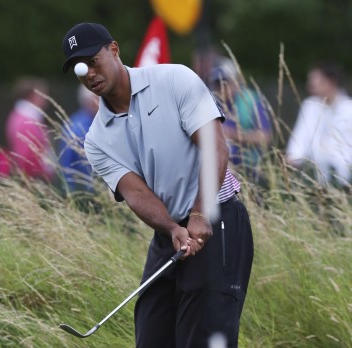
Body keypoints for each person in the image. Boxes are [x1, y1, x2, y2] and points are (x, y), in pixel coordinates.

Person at [61, 23, 254, 347]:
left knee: (204, 338)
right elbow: (135, 192)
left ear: (114, 49)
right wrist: (170, 227)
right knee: (152, 332)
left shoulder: (173, 79)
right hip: (171, 233)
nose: (89, 73)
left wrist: (199, 214)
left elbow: (215, 147)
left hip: (217, 217)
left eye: (94, 61)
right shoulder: (96, 139)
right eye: (81, 69)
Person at [286, 61, 352, 187]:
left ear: (331, 81)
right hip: (314, 177)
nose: (311, 84)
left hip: (345, 178)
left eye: (316, 79)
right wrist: (293, 157)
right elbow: (300, 135)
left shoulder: (349, 108)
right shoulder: (310, 106)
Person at [209, 58, 273, 183]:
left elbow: (265, 137)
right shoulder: (211, 104)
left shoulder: (250, 101)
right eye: (218, 84)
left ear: (234, 82)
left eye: (225, 82)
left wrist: (232, 135)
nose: (221, 88)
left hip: (249, 168)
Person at [5, 76, 55, 182]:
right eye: (42, 95)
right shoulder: (27, 121)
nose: (45, 98)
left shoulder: (21, 116)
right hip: (34, 177)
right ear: (32, 96)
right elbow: (28, 155)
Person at [59, 83, 99, 193]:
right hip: (85, 190)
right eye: (98, 98)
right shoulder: (75, 127)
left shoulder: (103, 120)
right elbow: (66, 163)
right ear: (88, 102)